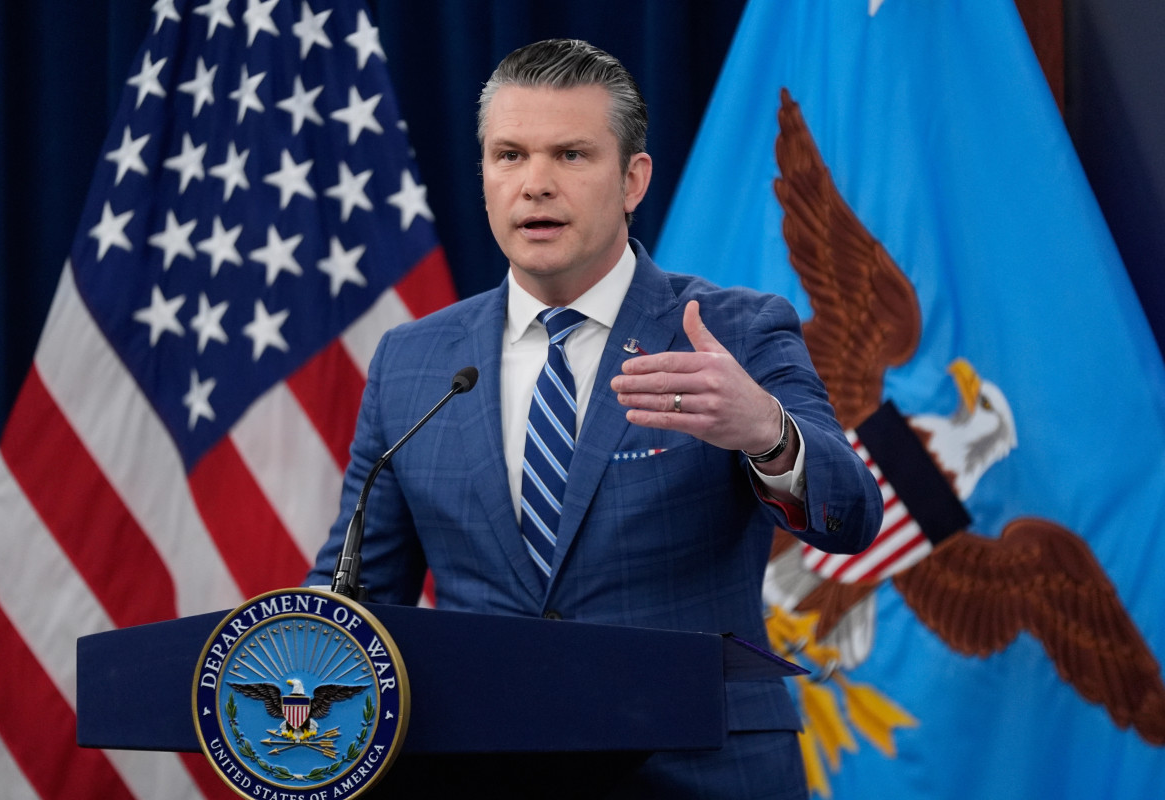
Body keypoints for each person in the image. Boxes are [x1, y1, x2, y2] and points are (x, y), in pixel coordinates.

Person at [308, 38, 883, 798]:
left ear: (633, 179)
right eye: (509, 156)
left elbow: (851, 516)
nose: (535, 184)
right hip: (480, 772)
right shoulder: (412, 361)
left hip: (700, 768)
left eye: (571, 155)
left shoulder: (733, 332)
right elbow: (358, 591)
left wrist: (768, 433)